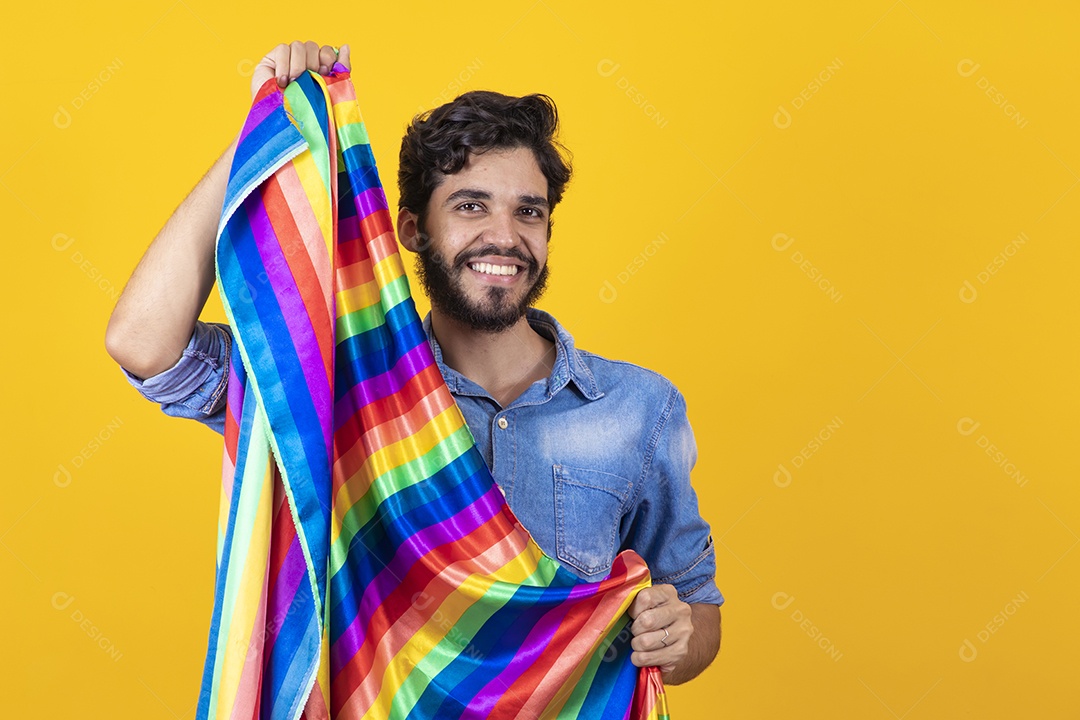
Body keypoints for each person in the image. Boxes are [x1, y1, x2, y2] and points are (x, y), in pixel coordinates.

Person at [105, 41, 723, 686]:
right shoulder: (339, 391)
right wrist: (261, 135)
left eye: (529, 212)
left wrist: (678, 634)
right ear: (411, 231)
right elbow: (146, 345)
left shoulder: (640, 407)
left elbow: (697, 610)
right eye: (471, 206)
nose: (506, 237)